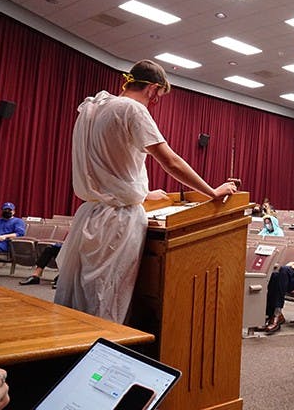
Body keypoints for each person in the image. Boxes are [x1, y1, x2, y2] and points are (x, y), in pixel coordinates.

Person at [54, 60, 236, 323]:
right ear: (152, 89)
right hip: (117, 223)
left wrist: (142, 193)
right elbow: (170, 161)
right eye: (158, 97)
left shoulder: (93, 107)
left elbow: (106, 165)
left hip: (91, 214)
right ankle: (103, 358)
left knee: (80, 300)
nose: (154, 103)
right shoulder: (133, 109)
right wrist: (212, 192)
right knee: (106, 301)